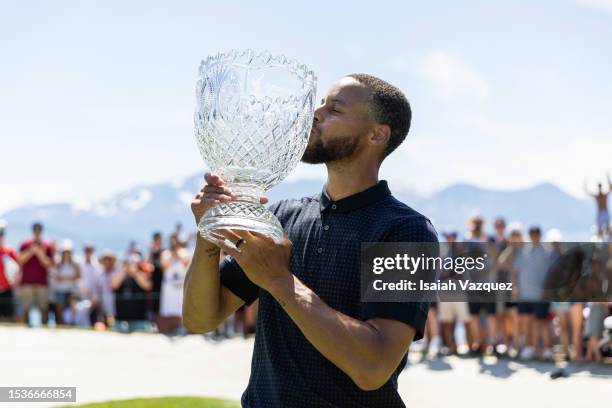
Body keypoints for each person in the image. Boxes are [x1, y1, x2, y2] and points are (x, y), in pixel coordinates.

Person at [184, 74, 437, 407]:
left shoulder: (407, 233)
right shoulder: (281, 218)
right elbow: (200, 319)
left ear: (377, 134)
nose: (314, 114)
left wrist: (279, 280)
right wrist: (208, 235)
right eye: (318, 104)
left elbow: (372, 367)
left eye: (334, 109)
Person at [18, 222, 54, 325]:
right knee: (26, 307)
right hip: (26, 281)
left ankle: (44, 327)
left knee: (43, 307)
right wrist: (31, 251)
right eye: (35, 230)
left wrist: (40, 253)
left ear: (41, 231)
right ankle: (25, 327)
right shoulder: (25, 244)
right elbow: (20, 259)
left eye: (39, 230)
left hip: (42, 282)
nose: (37, 232)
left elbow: (49, 264)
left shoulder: (47, 245)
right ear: (33, 231)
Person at [111, 253, 152, 332]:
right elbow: (113, 285)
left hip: (139, 320)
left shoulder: (142, 275)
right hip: (121, 320)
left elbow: (147, 286)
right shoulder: (121, 274)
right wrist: (124, 271)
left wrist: (136, 273)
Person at [158, 235, 190, 333]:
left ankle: (182, 327)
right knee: (167, 309)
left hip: (180, 285)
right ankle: (168, 328)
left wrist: (177, 254)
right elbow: (164, 266)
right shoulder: (165, 253)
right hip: (169, 285)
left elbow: (186, 263)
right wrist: (172, 255)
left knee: (181, 309)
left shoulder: (184, 252)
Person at [49, 239, 81, 325]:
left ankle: (72, 323)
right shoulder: (58, 264)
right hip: (59, 290)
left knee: (73, 307)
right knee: (60, 309)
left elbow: (78, 276)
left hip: (71, 290)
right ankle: (62, 324)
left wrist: (64, 278)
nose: (66, 254)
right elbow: (56, 277)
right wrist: (69, 278)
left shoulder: (75, 264)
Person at [0, 220, 20, 322]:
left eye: (1, 233)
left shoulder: (10, 251)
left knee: (8, 319)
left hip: (7, 290)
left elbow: (18, 270)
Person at [584, 174, 611, 239]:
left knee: (608, 229)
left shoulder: (604, 195)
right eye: (599, 187)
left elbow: (611, 187)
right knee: (599, 230)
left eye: (600, 186)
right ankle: (600, 242)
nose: (600, 188)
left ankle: (608, 241)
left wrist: (608, 178)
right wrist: (585, 182)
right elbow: (587, 191)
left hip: (605, 212)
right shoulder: (597, 196)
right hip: (600, 213)